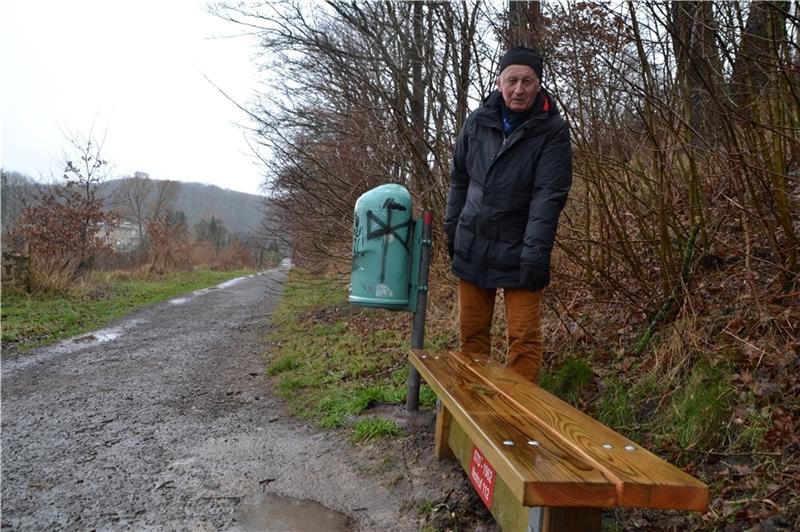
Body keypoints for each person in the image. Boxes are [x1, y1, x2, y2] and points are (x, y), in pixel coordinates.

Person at [444, 46, 572, 382]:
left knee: (523, 342)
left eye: (527, 81)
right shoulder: (478, 121)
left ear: (539, 84)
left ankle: (515, 422)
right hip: (473, 243)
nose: (519, 89)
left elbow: (548, 196)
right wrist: (452, 228)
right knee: (471, 340)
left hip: (521, 250)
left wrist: (535, 254)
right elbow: (459, 178)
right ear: (499, 82)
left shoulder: (552, 131)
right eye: (512, 80)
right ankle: (472, 417)